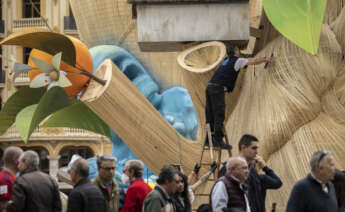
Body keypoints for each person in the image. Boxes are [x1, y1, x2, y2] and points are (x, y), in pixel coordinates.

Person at [205, 45, 271, 149]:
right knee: (219, 115)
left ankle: (207, 140)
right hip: (217, 89)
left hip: (209, 87)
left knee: (210, 115)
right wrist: (265, 59)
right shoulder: (237, 60)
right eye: (238, 50)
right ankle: (218, 140)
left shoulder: (226, 61)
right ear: (236, 51)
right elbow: (253, 61)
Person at [236, 134, 282, 212]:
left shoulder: (230, 173)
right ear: (243, 147)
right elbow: (278, 183)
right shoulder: (260, 179)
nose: (256, 152)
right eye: (254, 148)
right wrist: (265, 167)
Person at [0, 147, 23, 212]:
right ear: (16, 160)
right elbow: (4, 206)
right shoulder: (5, 179)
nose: (25, 162)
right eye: (23, 159)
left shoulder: (10, 177)